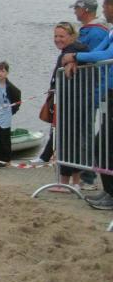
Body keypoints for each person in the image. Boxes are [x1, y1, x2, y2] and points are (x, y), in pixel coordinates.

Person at [62, 0, 113, 208]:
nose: (103, 11)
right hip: (107, 91)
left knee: (102, 142)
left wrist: (76, 56)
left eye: (105, 6)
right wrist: (77, 58)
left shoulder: (99, 30)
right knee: (102, 143)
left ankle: (104, 189)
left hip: (105, 90)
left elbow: (106, 55)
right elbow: (98, 51)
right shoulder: (109, 31)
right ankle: (108, 191)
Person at [45, 22, 88, 188]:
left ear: (71, 36)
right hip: (69, 101)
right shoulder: (68, 52)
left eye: (61, 36)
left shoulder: (73, 50)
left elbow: (83, 49)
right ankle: (74, 182)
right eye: (55, 36)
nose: (57, 39)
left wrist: (72, 59)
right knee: (72, 141)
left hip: (72, 102)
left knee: (67, 141)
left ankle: (64, 182)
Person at [71, 0, 107, 188]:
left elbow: (96, 60)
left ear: (84, 9)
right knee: (80, 131)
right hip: (84, 89)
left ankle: (88, 176)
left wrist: (74, 58)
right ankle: (82, 172)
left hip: (91, 89)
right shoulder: (89, 30)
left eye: (76, 8)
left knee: (86, 131)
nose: (74, 12)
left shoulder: (96, 33)